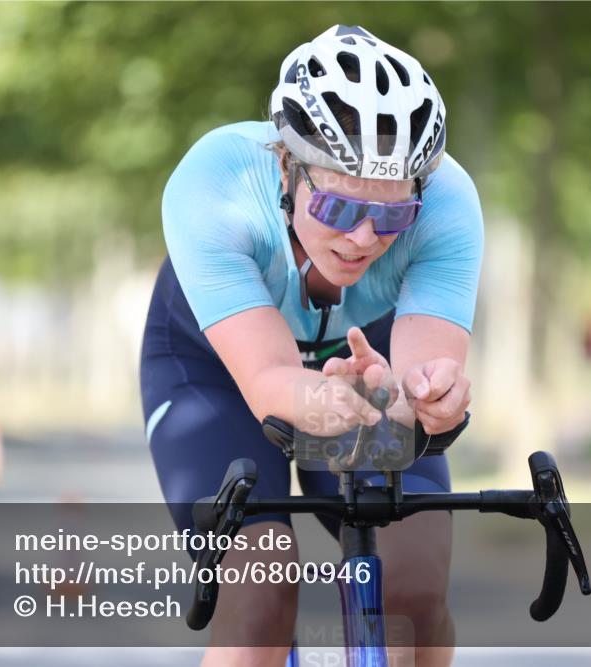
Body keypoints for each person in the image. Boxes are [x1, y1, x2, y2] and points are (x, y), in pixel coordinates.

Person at [140, 24, 483, 667]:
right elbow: (270, 378)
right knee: (261, 591)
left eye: (390, 215)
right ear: (286, 167)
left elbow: (422, 383)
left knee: (416, 592)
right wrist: (339, 401)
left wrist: (430, 400)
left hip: (361, 365)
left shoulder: (449, 204)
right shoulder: (214, 182)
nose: (361, 238)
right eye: (338, 207)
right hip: (217, 371)